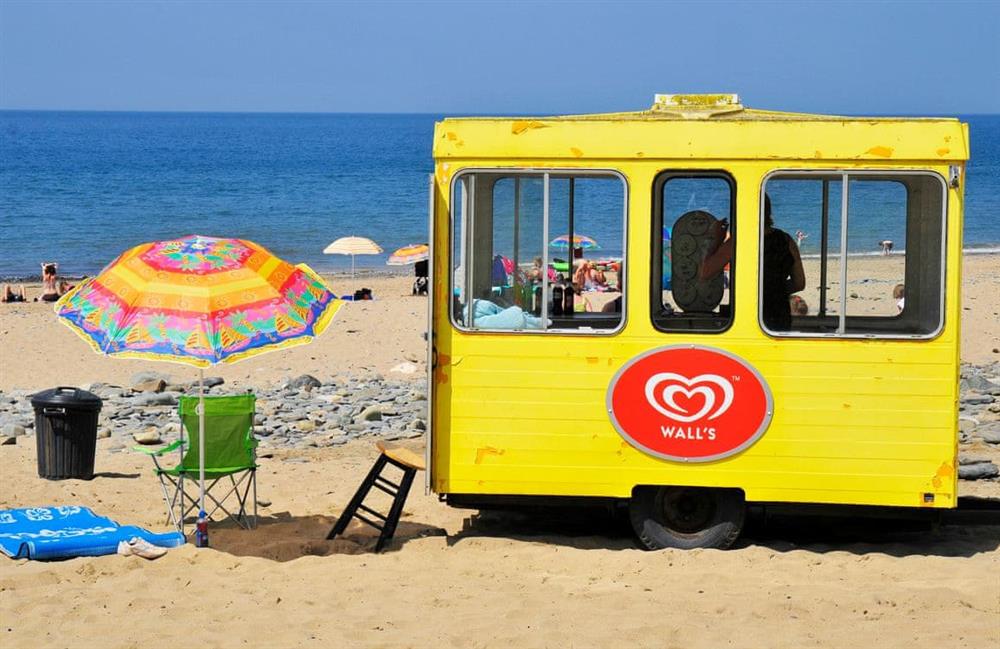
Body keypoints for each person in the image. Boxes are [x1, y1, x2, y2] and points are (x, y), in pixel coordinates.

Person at [700, 195, 805, 331]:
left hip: (745, 314)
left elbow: (705, 272)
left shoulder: (739, 241)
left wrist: (717, 240)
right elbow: (799, 283)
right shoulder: (786, 240)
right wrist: (773, 290)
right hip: (779, 314)